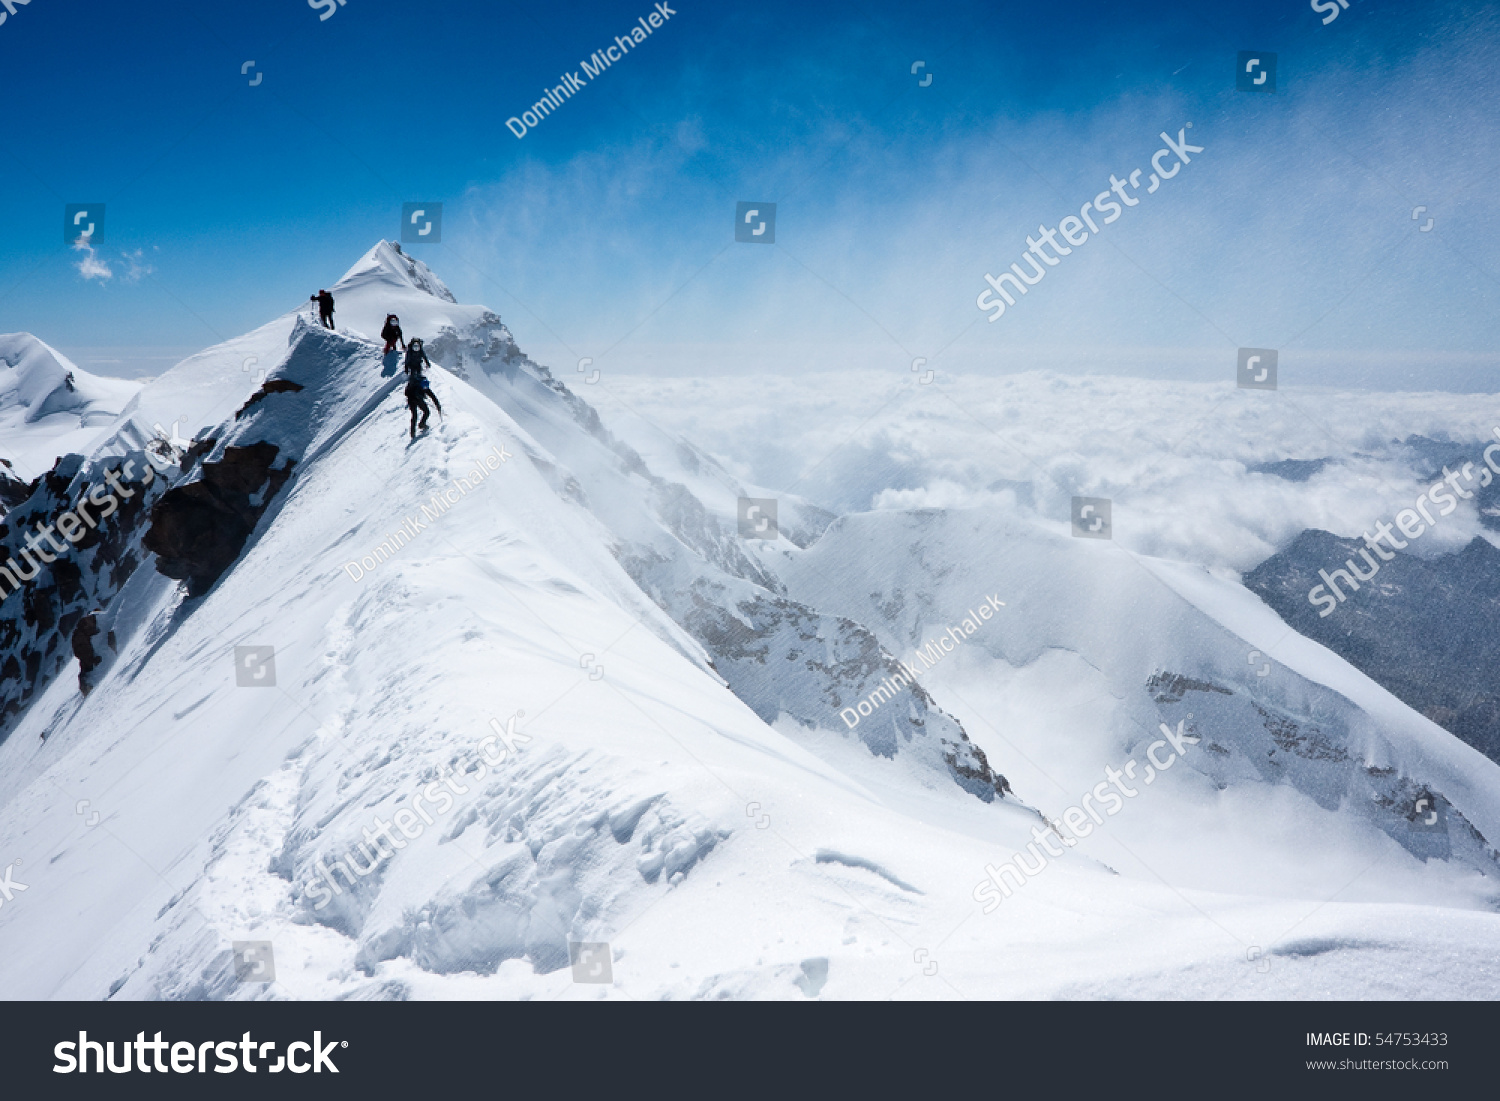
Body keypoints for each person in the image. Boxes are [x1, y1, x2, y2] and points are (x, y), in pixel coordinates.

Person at [403, 338, 443, 437]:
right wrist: (438, 406)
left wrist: (438, 405)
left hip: (414, 399)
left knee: (418, 415)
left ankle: (416, 430)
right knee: (420, 414)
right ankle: (418, 428)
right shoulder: (419, 386)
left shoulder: (419, 386)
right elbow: (431, 395)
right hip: (413, 399)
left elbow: (432, 396)